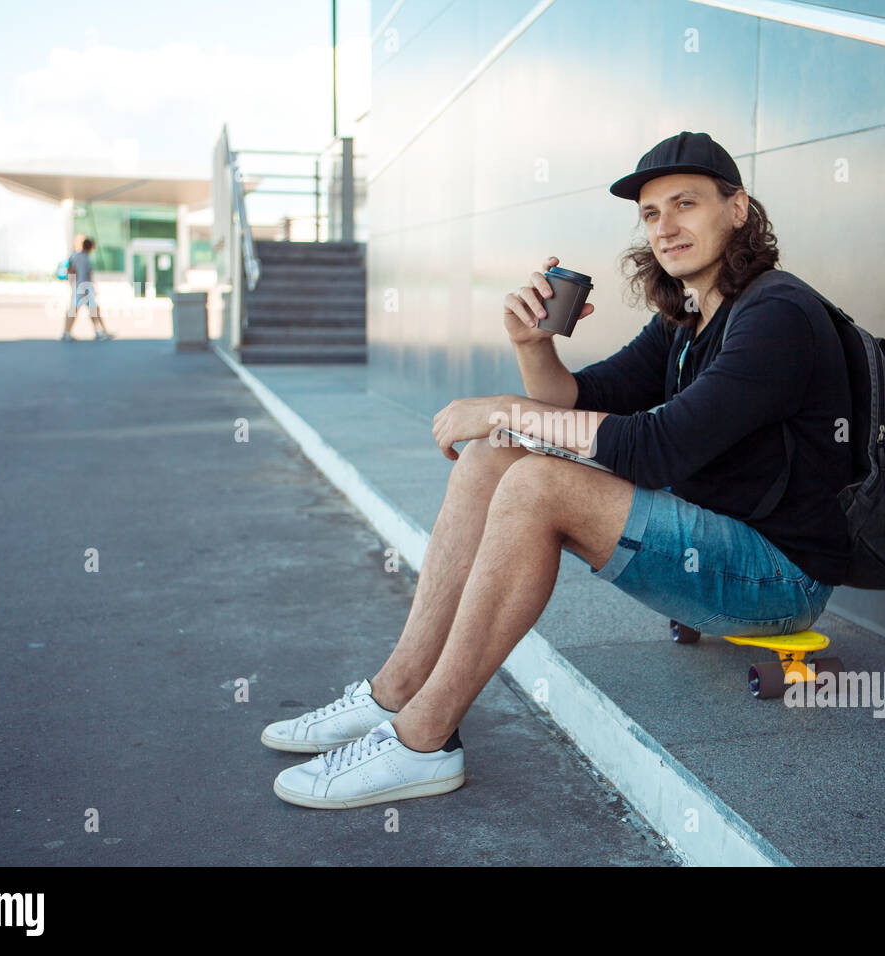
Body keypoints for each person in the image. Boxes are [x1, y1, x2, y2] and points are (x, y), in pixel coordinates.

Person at [261, 131, 853, 810]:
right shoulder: (688, 317)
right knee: (495, 456)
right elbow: (577, 402)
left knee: (536, 479)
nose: (666, 226)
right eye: (652, 213)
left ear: (739, 208)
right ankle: (393, 693)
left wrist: (507, 409)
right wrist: (532, 348)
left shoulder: (777, 314)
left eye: (685, 204)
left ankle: (422, 741)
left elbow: (658, 448)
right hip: (713, 545)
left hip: (779, 578)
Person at [64, 237, 114, 341]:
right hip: (83, 288)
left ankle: (100, 331)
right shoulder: (84, 258)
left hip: (79, 287)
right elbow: (84, 275)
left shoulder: (77, 256)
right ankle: (100, 332)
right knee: (90, 310)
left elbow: (71, 271)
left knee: (88, 310)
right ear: (90, 247)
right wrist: (88, 290)